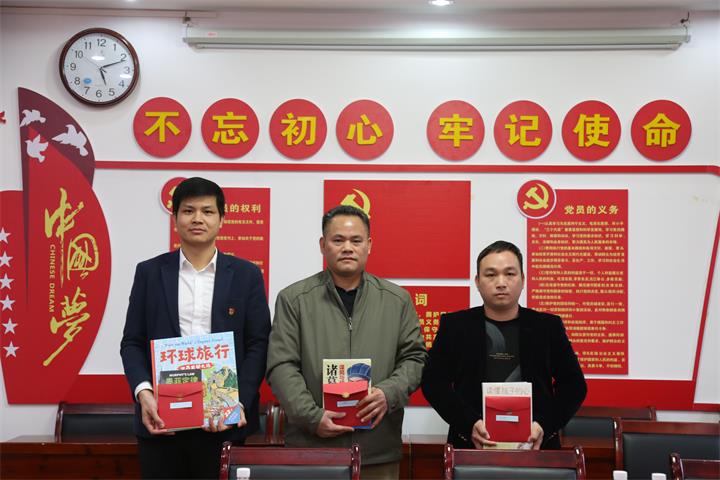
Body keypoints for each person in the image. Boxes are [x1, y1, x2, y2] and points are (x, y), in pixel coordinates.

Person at [120, 177, 270, 479]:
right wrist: (143, 393)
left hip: (223, 422)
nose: (197, 218)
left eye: (207, 211)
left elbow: (259, 343)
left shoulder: (246, 275)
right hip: (162, 421)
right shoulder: (149, 272)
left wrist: (239, 401)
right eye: (188, 211)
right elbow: (132, 342)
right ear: (175, 219)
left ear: (222, 220)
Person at [266, 205, 427, 479]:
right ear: (323, 245)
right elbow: (281, 365)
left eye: (356, 240)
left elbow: (415, 358)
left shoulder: (396, 300)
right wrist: (312, 417)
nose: (347, 248)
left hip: (377, 450)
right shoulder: (294, 299)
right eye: (338, 240)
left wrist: (388, 393)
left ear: (369, 245)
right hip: (312, 450)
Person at [421, 240, 586, 450]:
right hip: (470, 447)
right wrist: (469, 424)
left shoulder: (547, 327)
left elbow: (574, 385)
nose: (501, 282)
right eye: (491, 275)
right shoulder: (455, 326)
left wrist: (544, 425)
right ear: (477, 281)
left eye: (510, 274)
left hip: (536, 446)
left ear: (523, 279)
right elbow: (433, 383)